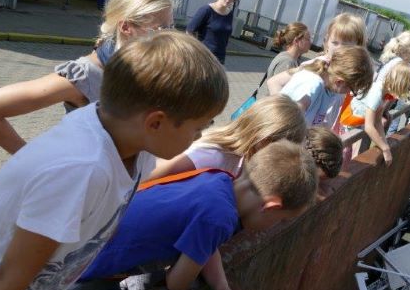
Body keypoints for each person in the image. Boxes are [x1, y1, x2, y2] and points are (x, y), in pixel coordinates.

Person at [0, 32, 229, 290]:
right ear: (155, 122)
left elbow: (53, 247)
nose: (203, 135)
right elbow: (9, 273)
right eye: (198, 126)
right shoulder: (83, 167)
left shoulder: (132, 150)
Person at [25, 139, 316, 290]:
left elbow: (205, 245)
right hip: (67, 274)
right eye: (282, 220)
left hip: (89, 262)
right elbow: (177, 282)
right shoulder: (220, 218)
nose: (275, 226)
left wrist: (222, 287)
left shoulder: (219, 180)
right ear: (271, 207)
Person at [0, 0, 176, 154]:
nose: (170, 37)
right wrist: (34, 163)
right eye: (161, 29)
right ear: (126, 27)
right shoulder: (86, 75)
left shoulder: (139, 68)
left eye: (172, 27)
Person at [148, 94, 307, 179]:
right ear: (264, 141)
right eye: (283, 151)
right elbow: (150, 177)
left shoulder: (244, 159)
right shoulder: (212, 157)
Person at [267, 13, 366, 95]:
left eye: (345, 46)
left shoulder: (347, 75)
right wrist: (282, 115)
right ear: (327, 41)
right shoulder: (316, 66)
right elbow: (274, 82)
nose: (338, 49)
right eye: (335, 43)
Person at [340, 62, 410, 166]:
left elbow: (377, 121)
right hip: (347, 127)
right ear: (400, 83)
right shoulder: (377, 92)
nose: (408, 90)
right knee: (345, 158)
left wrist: (384, 144)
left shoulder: (385, 94)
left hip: (357, 126)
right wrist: (385, 149)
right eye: (407, 87)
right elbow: (369, 126)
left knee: (350, 157)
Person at [280, 46, 373, 128]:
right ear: (339, 82)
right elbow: (287, 120)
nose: (349, 93)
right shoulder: (312, 84)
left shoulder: (328, 90)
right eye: (352, 89)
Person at [186, 0, 237, 64]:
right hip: (204, 57)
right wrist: (196, 50)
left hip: (219, 58)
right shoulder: (206, 10)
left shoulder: (229, 14)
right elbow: (189, 30)